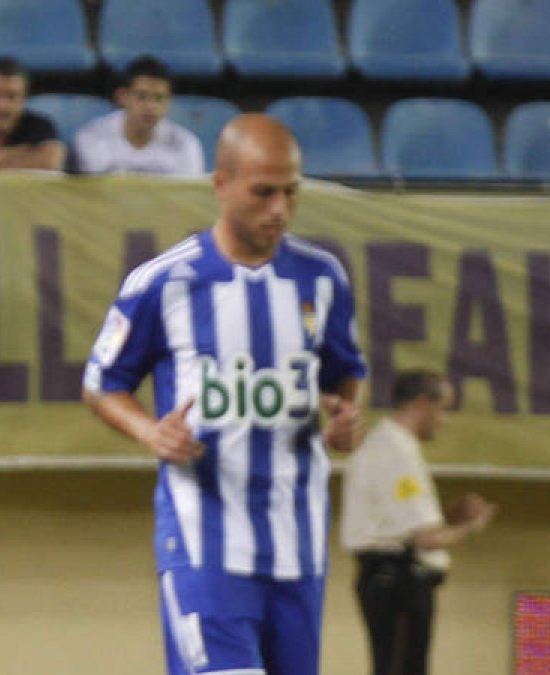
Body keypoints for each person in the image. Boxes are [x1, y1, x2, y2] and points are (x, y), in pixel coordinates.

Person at [81, 113, 366, 675]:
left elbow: (344, 374)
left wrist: (345, 416)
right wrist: (150, 430)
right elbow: (102, 383)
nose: (279, 208)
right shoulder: (162, 283)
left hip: (298, 547)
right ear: (221, 184)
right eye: (264, 192)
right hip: (202, 542)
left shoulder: (323, 277)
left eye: (291, 192)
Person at [340, 370, 497, 675]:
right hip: (398, 578)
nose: (444, 420)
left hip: (391, 577)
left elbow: (400, 523)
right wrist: (470, 526)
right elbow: (425, 539)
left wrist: (449, 517)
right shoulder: (395, 452)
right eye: (443, 410)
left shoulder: (392, 447)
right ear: (424, 403)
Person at [73, 56, 205, 176]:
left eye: (159, 98)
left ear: (169, 101)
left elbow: (188, 201)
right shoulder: (92, 138)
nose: (150, 106)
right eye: (141, 96)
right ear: (122, 97)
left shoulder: (185, 144)